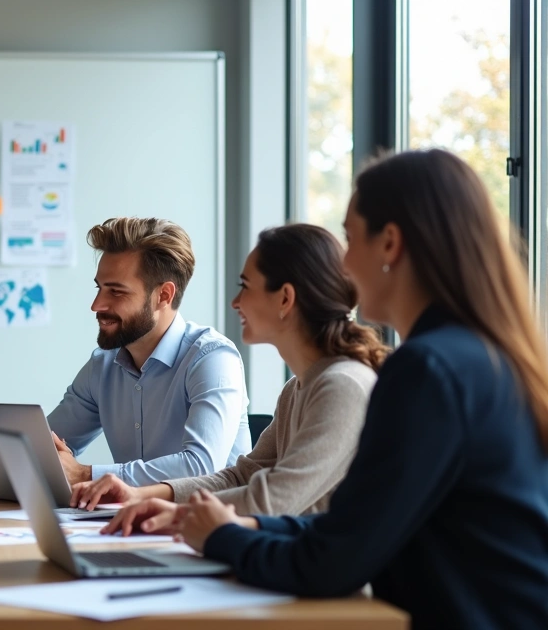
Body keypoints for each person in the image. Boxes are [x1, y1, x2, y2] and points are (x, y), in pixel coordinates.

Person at [178, 150, 548, 629]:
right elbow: (356, 527)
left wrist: (223, 538)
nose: (345, 264)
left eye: (351, 238)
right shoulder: (482, 357)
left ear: (390, 243)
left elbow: (331, 562)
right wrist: (245, 526)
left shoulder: (426, 370)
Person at [69, 224, 385, 534]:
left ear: (285, 299)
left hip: (326, 581)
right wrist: (141, 494)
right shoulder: (297, 388)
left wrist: (175, 512)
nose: (236, 302)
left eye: (245, 286)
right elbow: (240, 477)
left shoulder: (342, 385)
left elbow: (273, 498)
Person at [47, 217, 251, 487]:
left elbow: (201, 467)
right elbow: (46, 447)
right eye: (99, 288)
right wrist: (38, 456)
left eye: (116, 292)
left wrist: (87, 475)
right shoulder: (103, 366)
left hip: (210, 523)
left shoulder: (213, 358)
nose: (97, 305)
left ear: (164, 296)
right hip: (133, 524)